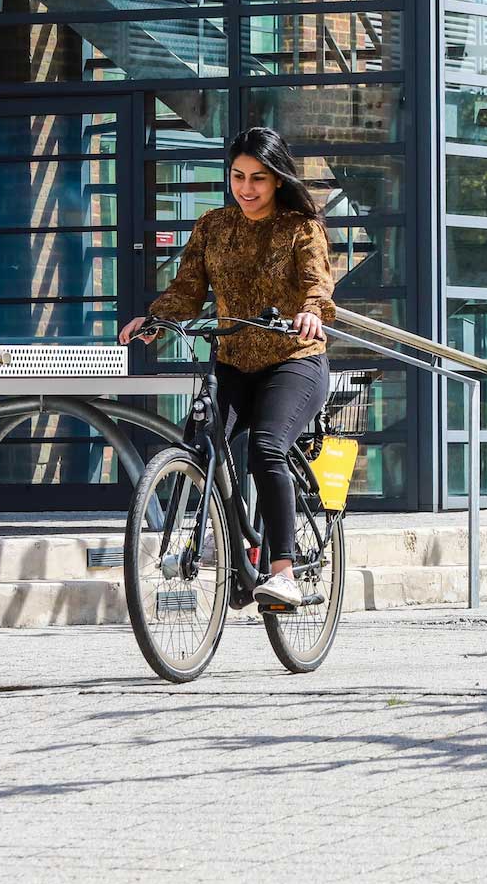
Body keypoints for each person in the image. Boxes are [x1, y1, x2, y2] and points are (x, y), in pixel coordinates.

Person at [119, 127, 335, 608]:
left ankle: (283, 569)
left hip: (294, 361)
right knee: (198, 442)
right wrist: (157, 317)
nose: (247, 188)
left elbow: (318, 285)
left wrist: (311, 313)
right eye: (238, 176)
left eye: (258, 177)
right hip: (233, 359)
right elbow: (187, 289)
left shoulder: (301, 227)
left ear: (278, 179)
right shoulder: (213, 227)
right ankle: (229, 550)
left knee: (265, 448)